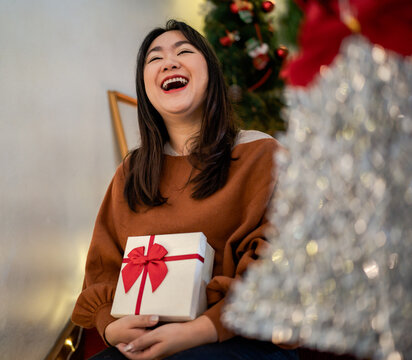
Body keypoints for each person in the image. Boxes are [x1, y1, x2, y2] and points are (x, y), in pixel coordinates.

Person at [71, 20, 298, 360]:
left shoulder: (261, 154)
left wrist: (199, 330)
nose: (169, 62)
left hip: (238, 336)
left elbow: (282, 265)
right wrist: (109, 326)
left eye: (184, 52)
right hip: (144, 342)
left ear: (211, 72)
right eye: (154, 58)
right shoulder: (129, 173)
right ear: (145, 87)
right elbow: (103, 269)